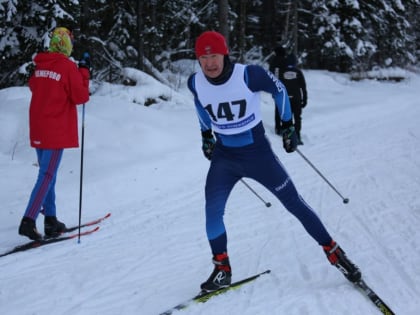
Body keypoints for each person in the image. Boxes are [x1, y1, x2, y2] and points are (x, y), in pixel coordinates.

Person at [187, 30, 361, 292]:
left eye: (214, 56)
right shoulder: (195, 82)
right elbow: (199, 104)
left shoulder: (249, 75)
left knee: (294, 202)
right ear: (198, 59)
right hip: (225, 157)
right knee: (212, 210)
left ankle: (333, 251)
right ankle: (222, 269)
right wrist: (205, 134)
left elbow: (279, 90)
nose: (210, 63)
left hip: (258, 154)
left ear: (225, 54)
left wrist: (288, 125)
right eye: (204, 57)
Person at [18, 27, 90, 240]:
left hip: (39, 128)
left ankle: (50, 219)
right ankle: (28, 220)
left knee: (48, 174)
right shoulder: (67, 67)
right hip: (55, 129)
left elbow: (35, 87)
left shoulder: (40, 65)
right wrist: (84, 72)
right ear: (66, 44)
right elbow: (81, 97)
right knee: (47, 175)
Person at [276, 53, 308, 144]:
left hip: (286, 99)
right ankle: (297, 136)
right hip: (297, 99)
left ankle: (287, 137)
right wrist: (305, 99)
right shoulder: (298, 72)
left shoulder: (282, 72)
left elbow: (278, 86)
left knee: (287, 118)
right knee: (297, 118)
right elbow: (303, 87)